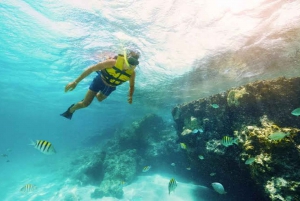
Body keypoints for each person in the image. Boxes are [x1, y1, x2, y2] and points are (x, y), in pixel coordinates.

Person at [60, 50, 140, 120]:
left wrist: (130, 96)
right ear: (125, 59)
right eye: (131, 61)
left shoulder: (132, 74)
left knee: (100, 99)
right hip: (100, 81)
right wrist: (75, 82)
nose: (132, 65)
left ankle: (91, 95)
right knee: (85, 104)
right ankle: (71, 109)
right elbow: (91, 69)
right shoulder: (112, 63)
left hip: (111, 87)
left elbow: (131, 86)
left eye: (135, 63)